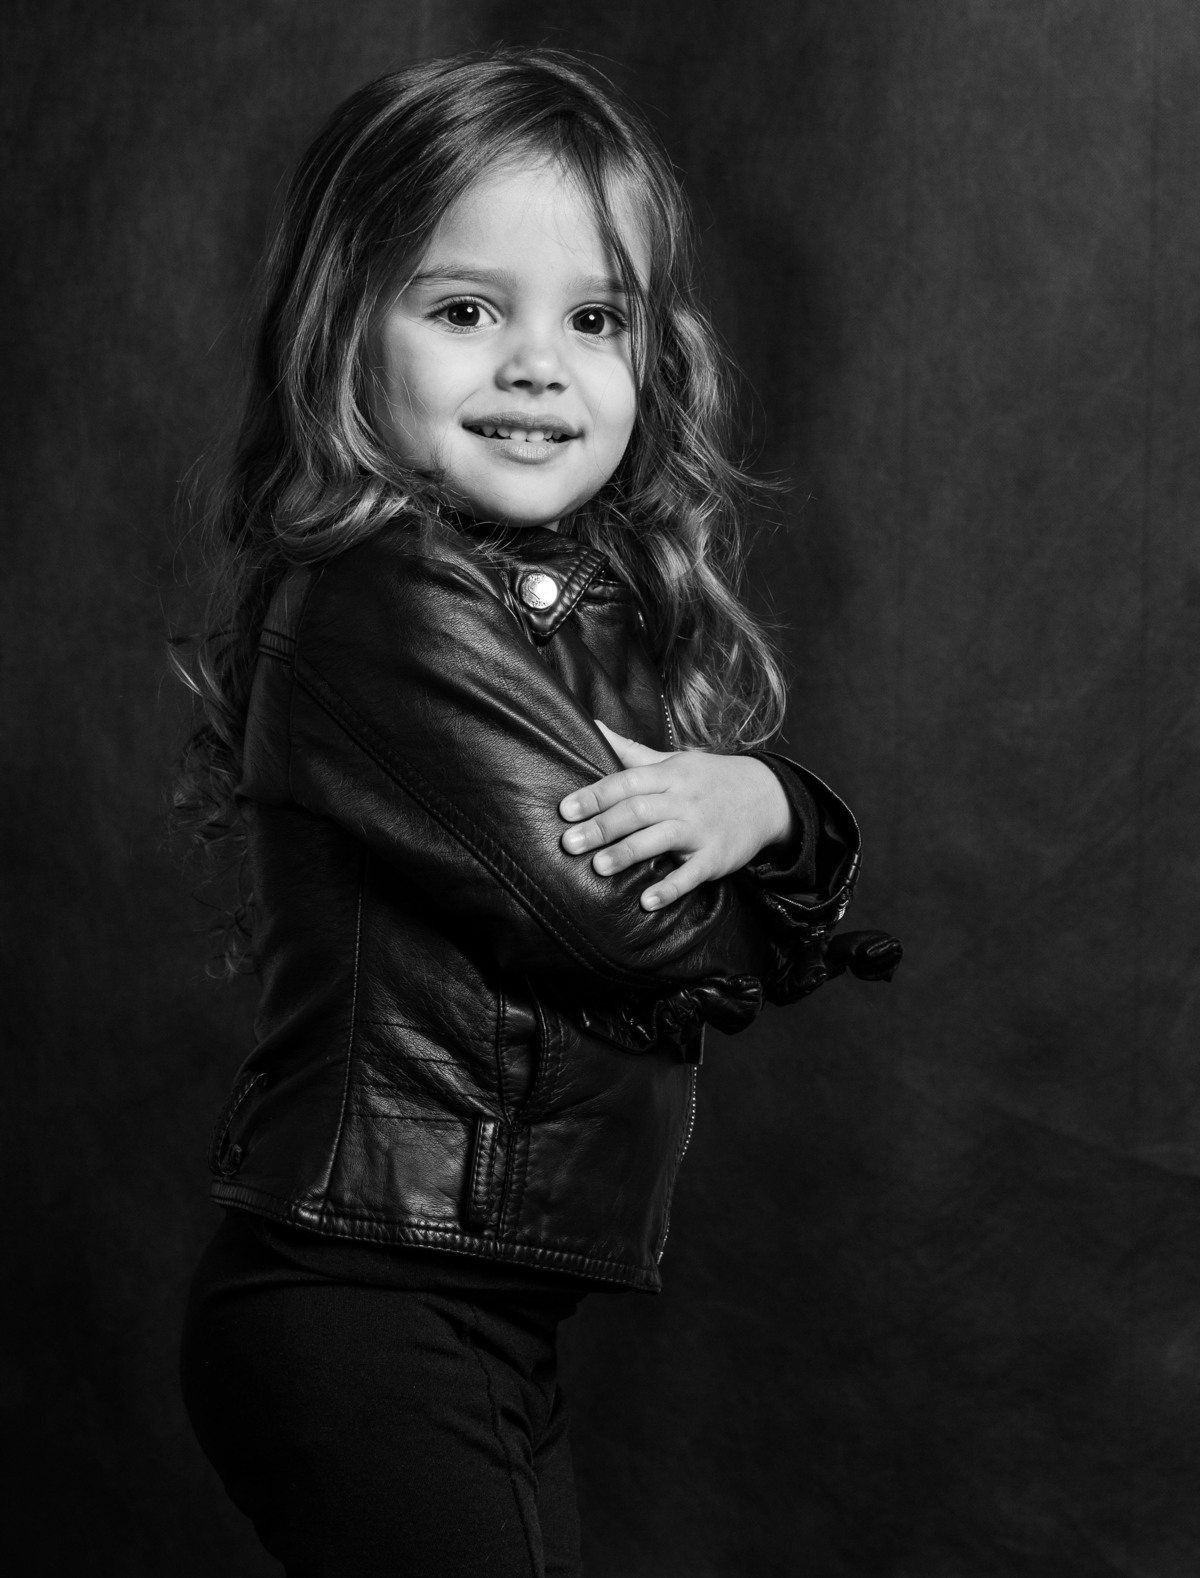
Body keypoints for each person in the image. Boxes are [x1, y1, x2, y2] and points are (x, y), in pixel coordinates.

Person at [176, 45, 899, 1578]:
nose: (536, 365)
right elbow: (622, 921)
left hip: (479, 1313)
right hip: (371, 1303)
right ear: (343, 333)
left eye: (593, 318)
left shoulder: (567, 610)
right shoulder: (384, 598)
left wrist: (766, 804)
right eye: (463, 311)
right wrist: (787, 835)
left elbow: (666, 879)